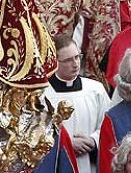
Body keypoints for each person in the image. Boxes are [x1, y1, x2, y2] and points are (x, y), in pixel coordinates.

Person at [43, 35, 111, 173]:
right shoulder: (42, 94)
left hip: (89, 164)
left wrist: (93, 141)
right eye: (68, 60)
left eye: (77, 57)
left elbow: (108, 126)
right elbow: (36, 133)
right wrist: (65, 145)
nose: (75, 64)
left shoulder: (95, 89)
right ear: (54, 62)